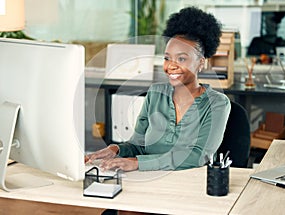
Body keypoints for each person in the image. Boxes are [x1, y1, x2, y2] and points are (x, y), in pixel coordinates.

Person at [85, 6, 231, 172]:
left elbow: (197, 156)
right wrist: (116, 150)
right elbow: (138, 146)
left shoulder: (217, 103)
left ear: (201, 63)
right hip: (147, 181)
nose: (171, 66)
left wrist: (138, 163)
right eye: (167, 58)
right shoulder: (155, 94)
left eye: (181, 58)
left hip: (190, 185)